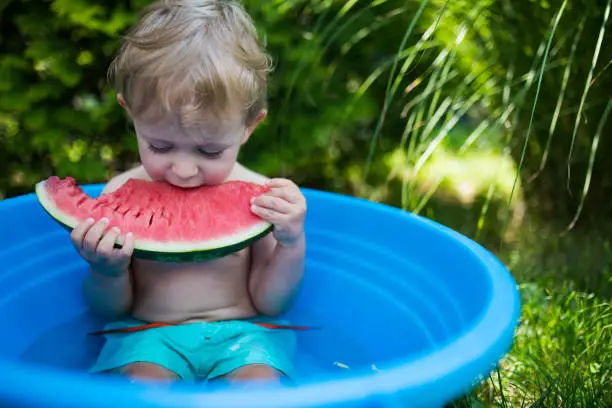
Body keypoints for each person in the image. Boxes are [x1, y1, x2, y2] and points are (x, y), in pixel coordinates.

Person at [69, 0, 306, 384]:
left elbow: (272, 302)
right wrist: (105, 271)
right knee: (143, 387)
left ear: (248, 127)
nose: (183, 170)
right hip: (147, 335)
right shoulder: (118, 195)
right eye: (160, 147)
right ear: (131, 114)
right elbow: (111, 310)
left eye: (210, 151)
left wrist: (291, 244)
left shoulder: (261, 199)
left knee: (260, 389)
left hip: (244, 336)